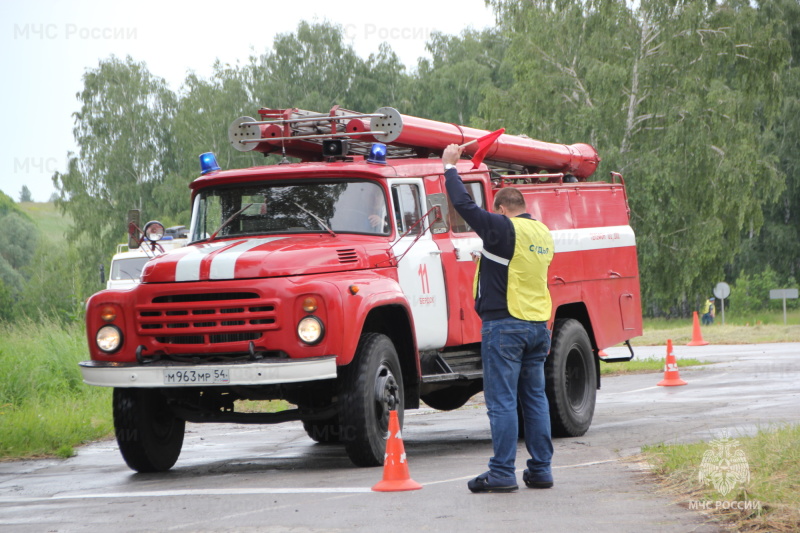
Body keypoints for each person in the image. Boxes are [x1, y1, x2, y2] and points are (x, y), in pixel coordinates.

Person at [442, 143, 555, 493]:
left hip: (505, 327)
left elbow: (463, 205)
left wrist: (450, 167)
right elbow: (514, 266)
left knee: (503, 401)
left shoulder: (503, 228)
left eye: (497, 212)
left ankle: (503, 472)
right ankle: (541, 470)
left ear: (503, 209)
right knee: (534, 399)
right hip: (538, 326)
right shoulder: (542, 233)